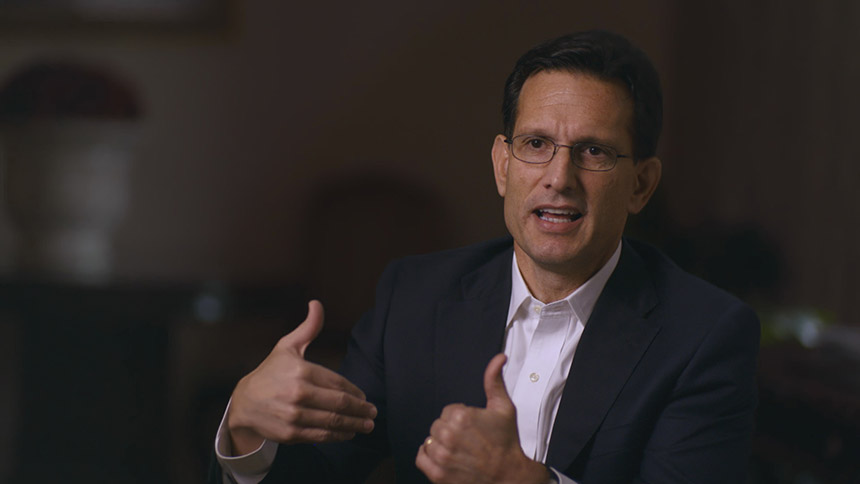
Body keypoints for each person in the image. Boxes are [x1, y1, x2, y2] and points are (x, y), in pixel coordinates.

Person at [211, 30, 760, 484]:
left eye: (593, 151)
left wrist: (524, 482)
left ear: (641, 184)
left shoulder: (704, 336)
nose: (559, 178)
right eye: (536, 144)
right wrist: (245, 425)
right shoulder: (414, 298)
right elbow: (319, 474)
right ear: (503, 165)